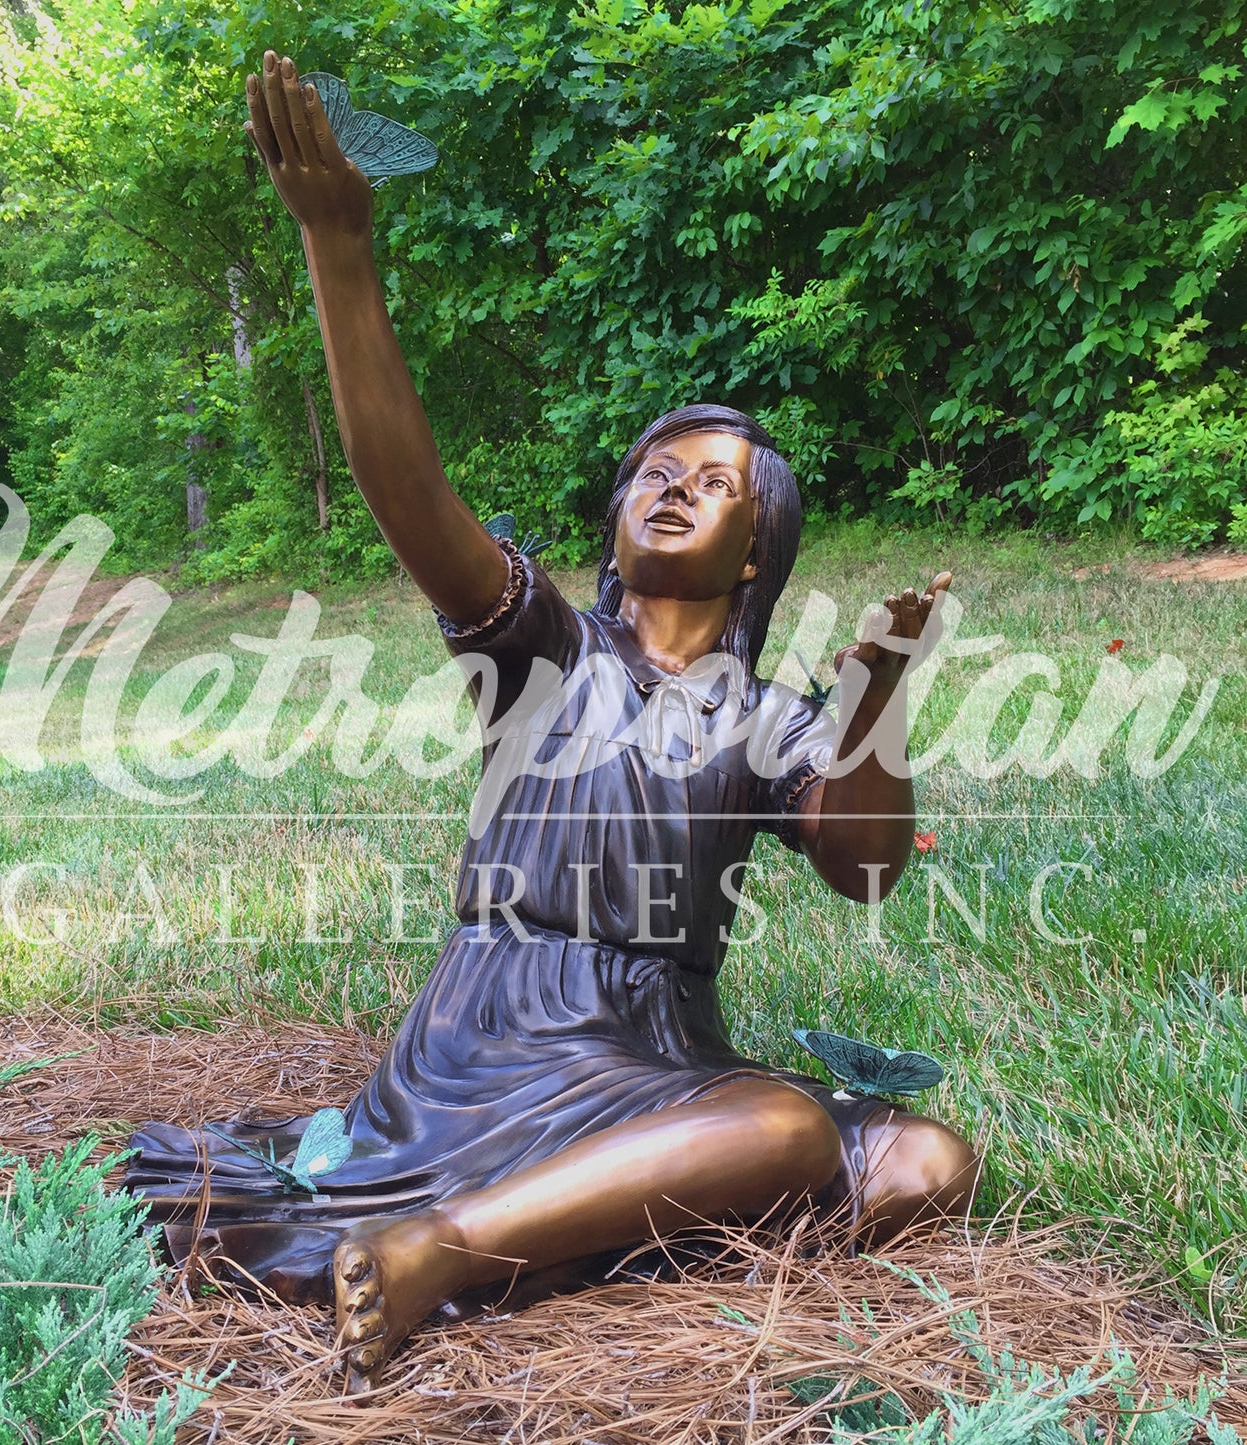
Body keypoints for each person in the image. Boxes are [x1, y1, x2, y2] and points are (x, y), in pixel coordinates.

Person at [125, 52, 979, 1394]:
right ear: (615, 517)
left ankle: (563, 1226)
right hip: (493, 1039)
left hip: (650, 1049)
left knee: (924, 1162)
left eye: (712, 481)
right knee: (783, 1133)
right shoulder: (543, 650)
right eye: (652, 469)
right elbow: (406, 486)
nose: (670, 485)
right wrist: (339, 246)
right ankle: (450, 1240)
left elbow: (864, 860)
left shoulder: (765, 717)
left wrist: (873, 695)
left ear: (758, 550)